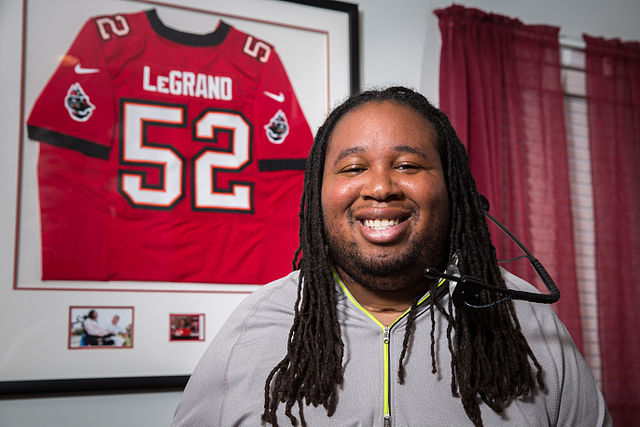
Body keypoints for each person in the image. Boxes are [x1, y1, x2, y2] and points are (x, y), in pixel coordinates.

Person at [172, 87, 611, 426]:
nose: (380, 187)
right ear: (317, 195)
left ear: (452, 188)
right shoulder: (254, 328)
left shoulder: (525, 319)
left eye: (407, 165)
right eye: (352, 168)